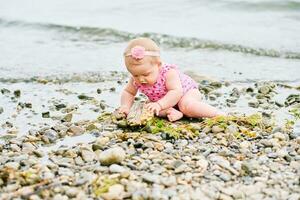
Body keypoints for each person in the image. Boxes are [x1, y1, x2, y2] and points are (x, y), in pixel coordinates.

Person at [118, 37, 225, 122]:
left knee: (186, 106)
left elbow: (176, 92)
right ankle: (173, 112)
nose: (141, 79)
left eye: (146, 74)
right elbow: (128, 92)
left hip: (185, 93)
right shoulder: (136, 78)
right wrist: (125, 106)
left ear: (158, 65)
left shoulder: (168, 73)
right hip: (164, 101)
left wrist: (159, 104)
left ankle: (217, 114)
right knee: (148, 107)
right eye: (135, 75)